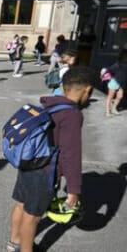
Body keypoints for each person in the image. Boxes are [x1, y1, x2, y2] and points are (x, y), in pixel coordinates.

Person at [8, 66, 94, 252]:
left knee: (21, 205)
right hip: (45, 171)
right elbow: (71, 154)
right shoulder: (72, 114)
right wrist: (74, 191)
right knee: (33, 215)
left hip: (29, 162)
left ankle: (14, 243)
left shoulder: (50, 103)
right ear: (88, 90)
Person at [104, 50, 127, 116]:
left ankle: (113, 109)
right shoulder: (118, 64)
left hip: (122, 84)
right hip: (114, 82)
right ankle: (107, 111)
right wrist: (110, 77)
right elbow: (109, 70)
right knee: (110, 97)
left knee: (120, 96)